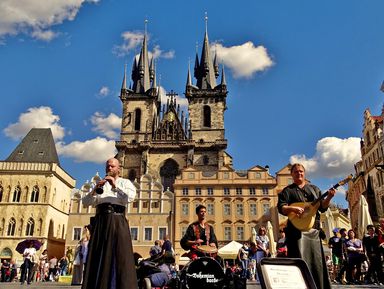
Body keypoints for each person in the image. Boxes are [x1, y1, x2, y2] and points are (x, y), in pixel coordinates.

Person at [81, 157, 137, 289]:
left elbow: (129, 198)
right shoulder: (101, 184)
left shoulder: (125, 183)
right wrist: (95, 189)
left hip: (117, 221)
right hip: (101, 222)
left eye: (112, 166)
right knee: (98, 254)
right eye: (107, 166)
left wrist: (114, 186)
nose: (109, 168)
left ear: (119, 168)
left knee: (120, 254)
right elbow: (85, 202)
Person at [277, 163, 335, 289]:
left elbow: (322, 208)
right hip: (295, 233)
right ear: (292, 174)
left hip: (313, 231)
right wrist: (293, 208)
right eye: (296, 172)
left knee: (316, 262)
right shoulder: (287, 191)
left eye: (301, 171)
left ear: (305, 173)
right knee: (299, 261)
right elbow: (281, 208)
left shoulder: (314, 189)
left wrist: (329, 197)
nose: (299, 173)